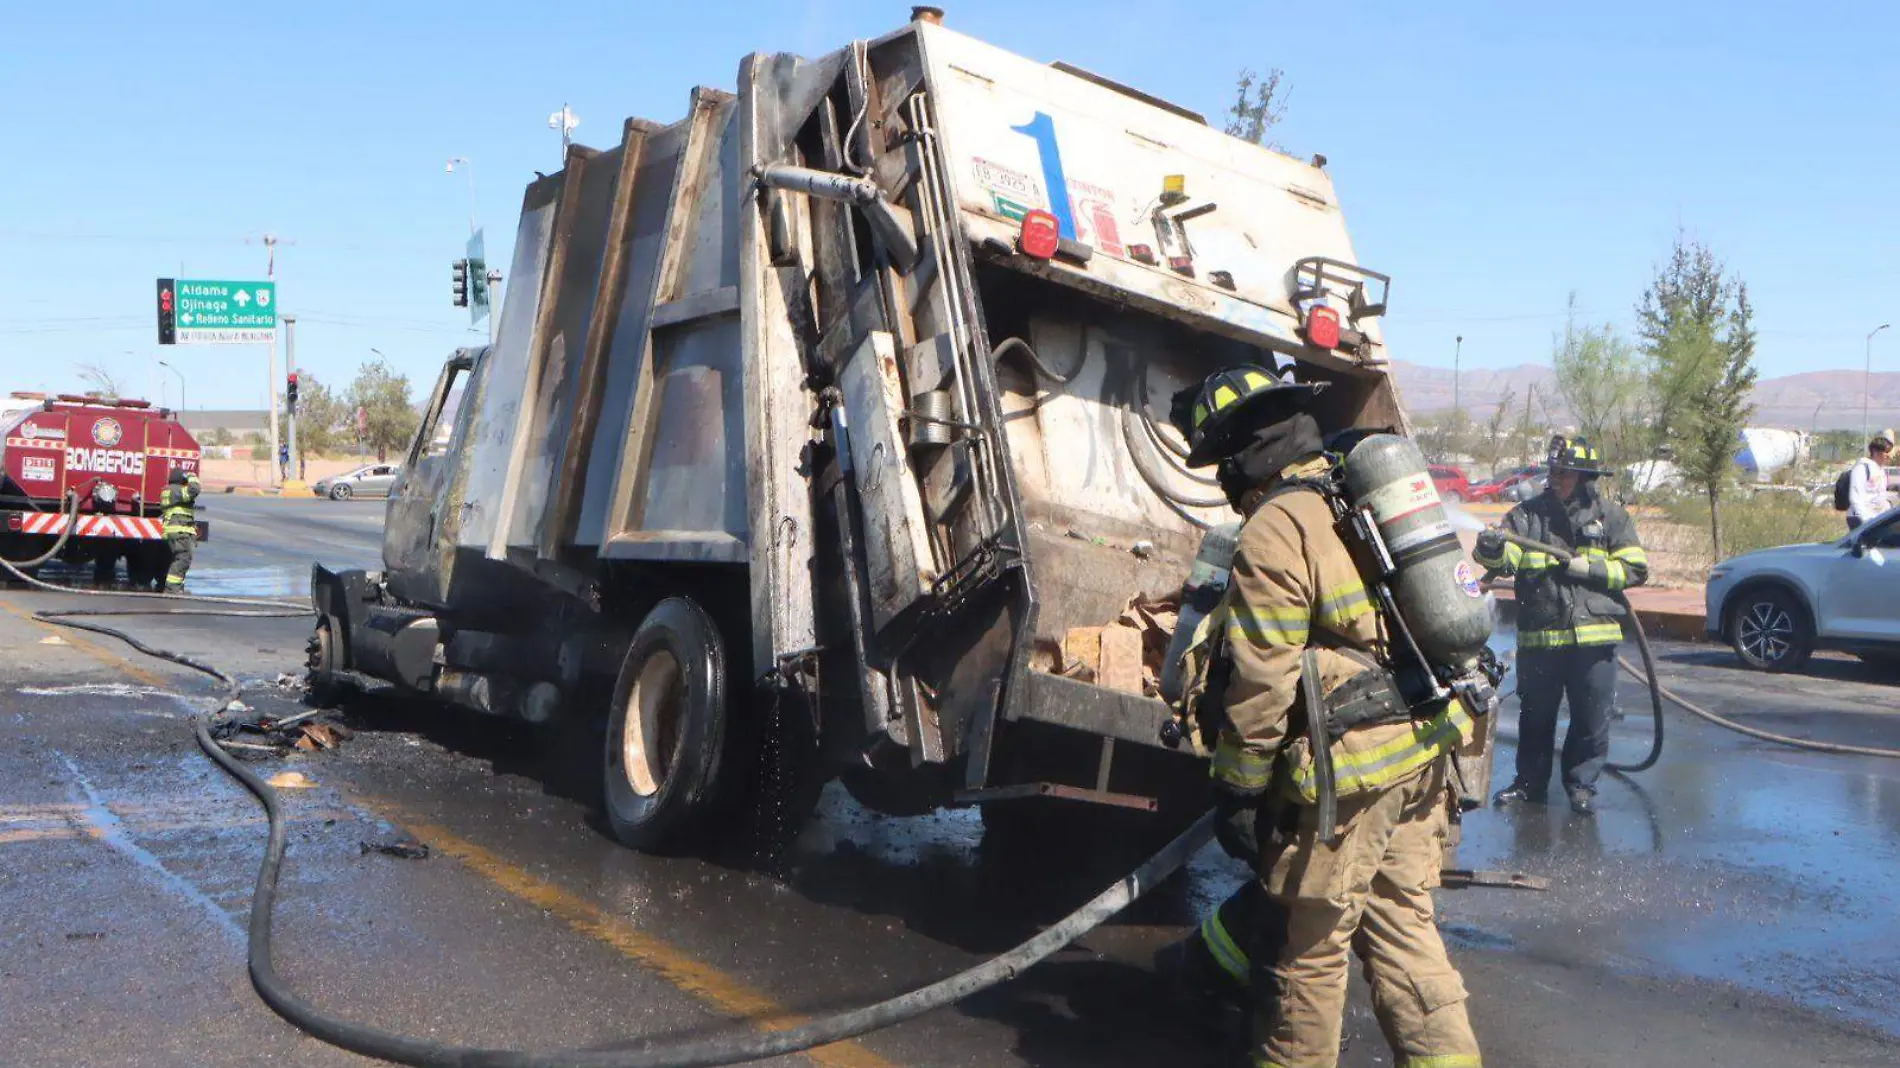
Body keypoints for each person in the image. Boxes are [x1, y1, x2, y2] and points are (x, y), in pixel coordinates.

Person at [1162, 365, 1482, 1068]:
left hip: (1352, 779)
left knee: (1308, 956)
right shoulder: (1351, 497)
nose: (1225, 482)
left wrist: (1239, 789)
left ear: (1245, 453)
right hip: (1424, 756)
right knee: (1405, 937)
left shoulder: (1279, 526)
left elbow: (1261, 676)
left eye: (1223, 464)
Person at [1475, 437, 1648, 816]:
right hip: (1542, 635)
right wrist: (1490, 546)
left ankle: (1581, 785)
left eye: (1563, 472)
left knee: (1590, 716)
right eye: (1552, 471)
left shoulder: (1612, 517)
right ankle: (1528, 785)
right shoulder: (1528, 516)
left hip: (1595, 636)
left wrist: (1590, 569)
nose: (1554, 478)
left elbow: (1635, 568)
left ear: (1585, 476)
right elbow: (1506, 558)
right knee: (1535, 716)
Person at [159, 466, 202, 593]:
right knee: (183, 559)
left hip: (175, 530)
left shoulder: (168, 491)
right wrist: (191, 476)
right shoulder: (176, 491)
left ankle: (175, 588)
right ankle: (173, 589)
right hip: (180, 531)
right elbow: (194, 490)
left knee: (179, 559)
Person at [1847, 429, 1893, 533]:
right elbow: (1855, 497)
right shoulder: (1862, 468)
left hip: (1877, 519)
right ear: (1876, 452)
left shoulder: (1881, 471)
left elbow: (1880, 496)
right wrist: (1866, 520)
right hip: (1860, 519)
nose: (1888, 455)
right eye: (1886, 452)